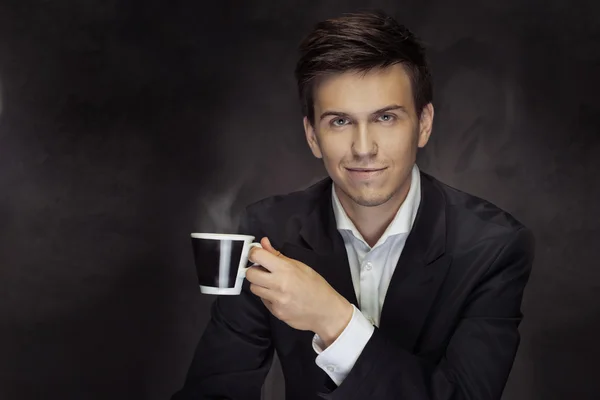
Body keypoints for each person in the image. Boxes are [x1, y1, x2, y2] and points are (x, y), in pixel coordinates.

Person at [172, 10, 535, 400]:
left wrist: (333, 318)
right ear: (313, 136)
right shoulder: (265, 229)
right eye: (340, 122)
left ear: (424, 124)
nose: (364, 149)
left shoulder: (493, 245)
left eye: (385, 117)